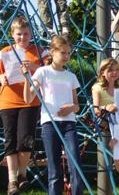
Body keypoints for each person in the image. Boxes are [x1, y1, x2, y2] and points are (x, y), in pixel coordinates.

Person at [23, 36, 84, 195]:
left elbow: (77, 106)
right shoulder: (43, 72)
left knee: (75, 165)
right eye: (63, 52)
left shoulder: (71, 76)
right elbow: (29, 98)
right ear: (53, 52)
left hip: (69, 124)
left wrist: (70, 107)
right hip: (50, 124)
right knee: (54, 170)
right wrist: (27, 78)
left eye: (68, 53)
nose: (66, 56)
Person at [0, 16, 49, 195]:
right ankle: (12, 179)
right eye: (19, 34)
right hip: (8, 100)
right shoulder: (5, 52)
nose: (23, 38)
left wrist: (35, 67)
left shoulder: (39, 51)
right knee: (10, 140)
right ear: (13, 34)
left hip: (29, 101)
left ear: (31, 34)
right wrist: (1, 77)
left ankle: (22, 175)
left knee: (25, 139)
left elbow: (52, 67)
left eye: (26, 34)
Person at [92, 57, 119, 195]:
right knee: (113, 117)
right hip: (103, 117)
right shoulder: (97, 87)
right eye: (110, 70)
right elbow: (96, 109)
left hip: (118, 119)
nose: (114, 73)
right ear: (103, 72)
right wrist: (107, 107)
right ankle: (118, 155)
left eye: (117, 70)